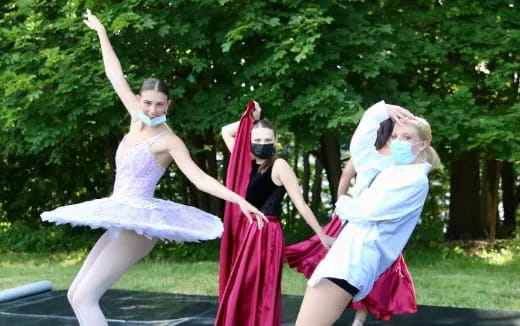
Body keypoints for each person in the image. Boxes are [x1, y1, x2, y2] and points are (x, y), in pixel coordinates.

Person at [40, 10, 265, 326]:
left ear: (167, 105)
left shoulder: (168, 141)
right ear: (139, 100)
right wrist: (102, 32)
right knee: (75, 294)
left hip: (139, 226)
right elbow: (113, 74)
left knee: (85, 297)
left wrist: (240, 201)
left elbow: (199, 179)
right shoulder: (135, 116)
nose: (152, 109)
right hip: (121, 216)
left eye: (159, 104)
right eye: (147, 103)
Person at [295, 101, 441, 326]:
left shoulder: (413, 180)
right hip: (346, 259)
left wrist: (343, 204)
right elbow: (360, 148)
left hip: (353, 262)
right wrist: (380, 111)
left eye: (407, 137)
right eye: (395, 136)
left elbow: (368, 211)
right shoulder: (393, 169)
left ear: (423, 144)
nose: (398, 142)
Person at [216, 101, 335, 326]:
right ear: (249, 140)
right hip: (244, 231)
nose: (262, 144)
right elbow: (225, 131)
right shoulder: (244, 161)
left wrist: (321, 234)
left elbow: (300, 203)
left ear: (275, 140)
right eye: (257, 140)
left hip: (265, 234)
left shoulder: (279, 165)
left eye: (268, 140)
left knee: (260, 289)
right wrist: (253, 118)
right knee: (240, 287)